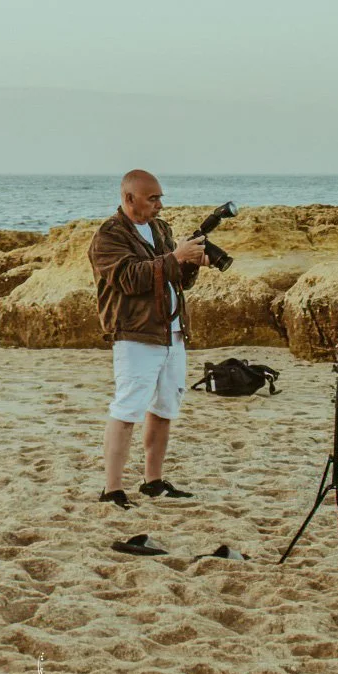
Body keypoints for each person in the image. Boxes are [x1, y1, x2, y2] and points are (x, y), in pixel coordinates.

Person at [88, 170, 207, 508]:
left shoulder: (160, 229)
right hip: (135, 333)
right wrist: (175, 257)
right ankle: (112, 489)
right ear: (129, 199)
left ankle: (153, 482)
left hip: (171, 332)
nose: (159, 205)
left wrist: (192, 263)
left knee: (164, 407)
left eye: (160, 198)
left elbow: (176, 279)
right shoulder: (109, 236)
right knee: (127, 409)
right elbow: (128, 278)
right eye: (152, 198)